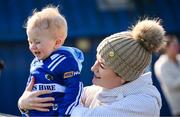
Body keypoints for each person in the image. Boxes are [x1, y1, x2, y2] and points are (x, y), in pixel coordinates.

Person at [18, 19, 165, 117]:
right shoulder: (95, 91)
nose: (93, 68)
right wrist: (24, 103)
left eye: (102, 65)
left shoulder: (144, 104)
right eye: (96, 60)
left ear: (123, 76)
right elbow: (56, 100)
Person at [18, 6, 84, 117]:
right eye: (30, 42)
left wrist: (65, 114)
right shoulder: (35, 63)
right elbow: (28, 91)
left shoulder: (65, 61)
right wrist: (24, 109)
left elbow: (74, 89)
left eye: (37, 42)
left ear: (57, 42)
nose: (32, 47)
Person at [154, 35, 180, 116]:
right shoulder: (161, 64)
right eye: (174, 45)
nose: (177, 47)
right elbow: (171, 85)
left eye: (177, 44)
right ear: (166, 47)